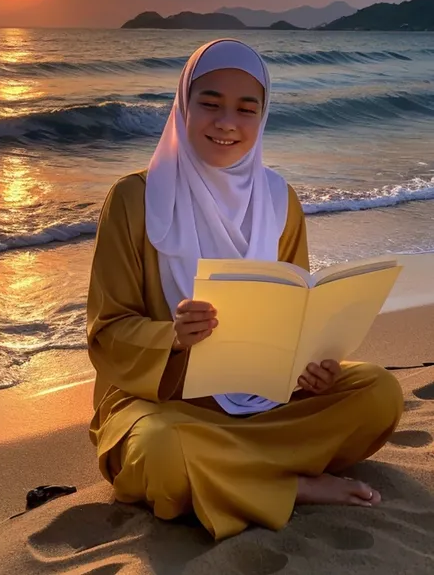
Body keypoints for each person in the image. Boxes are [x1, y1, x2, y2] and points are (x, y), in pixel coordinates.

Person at [86, 38, 403, 541]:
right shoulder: (134, 199)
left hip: (267, 401)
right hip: (166, 405)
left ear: (263, 116)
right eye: (209, 104)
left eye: (245, 109)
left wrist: (310, 368)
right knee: (162, 453)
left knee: (380, 394)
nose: (226, 122)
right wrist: (173, 335)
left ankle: (235, 473)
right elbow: (106, 331)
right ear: (183, 105)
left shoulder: (280, 200)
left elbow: (298, 311)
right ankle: (290, 483)